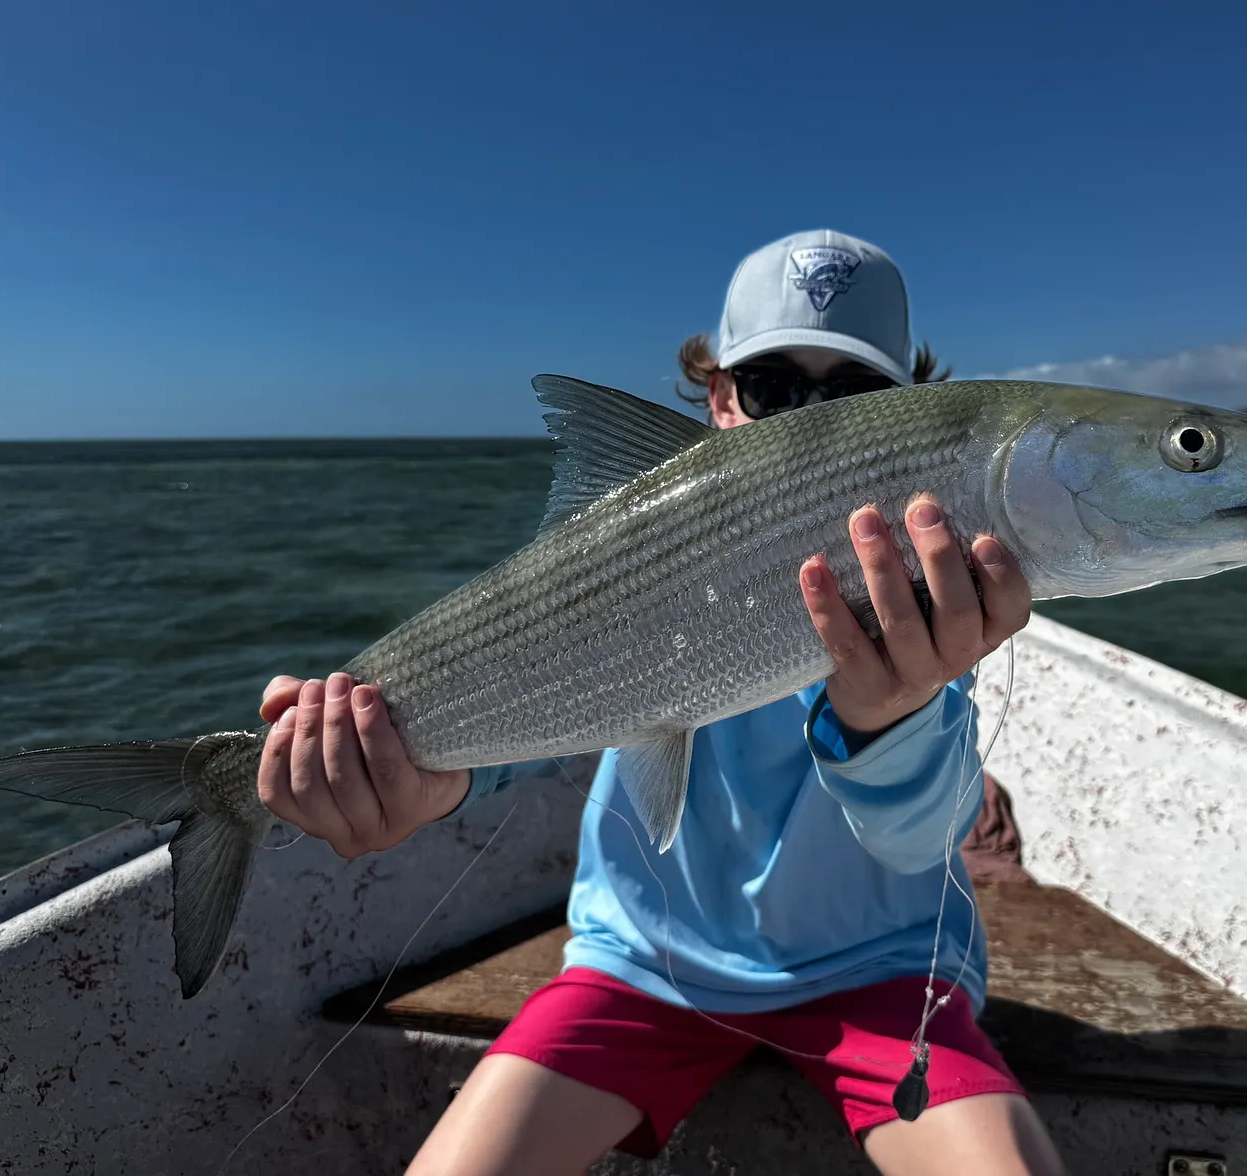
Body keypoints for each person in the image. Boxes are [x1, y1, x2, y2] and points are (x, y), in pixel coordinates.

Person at [255, 229, 1067, 1176]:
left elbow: (919, 834)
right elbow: (506, 734)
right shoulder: (634, 556)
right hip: (642, 971)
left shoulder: (935, 592)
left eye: (848, 397)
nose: (806, 422)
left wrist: (888, 717)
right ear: (720, 398)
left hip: (880, 969)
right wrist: (413, 785)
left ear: (902, 416)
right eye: (772, 391)